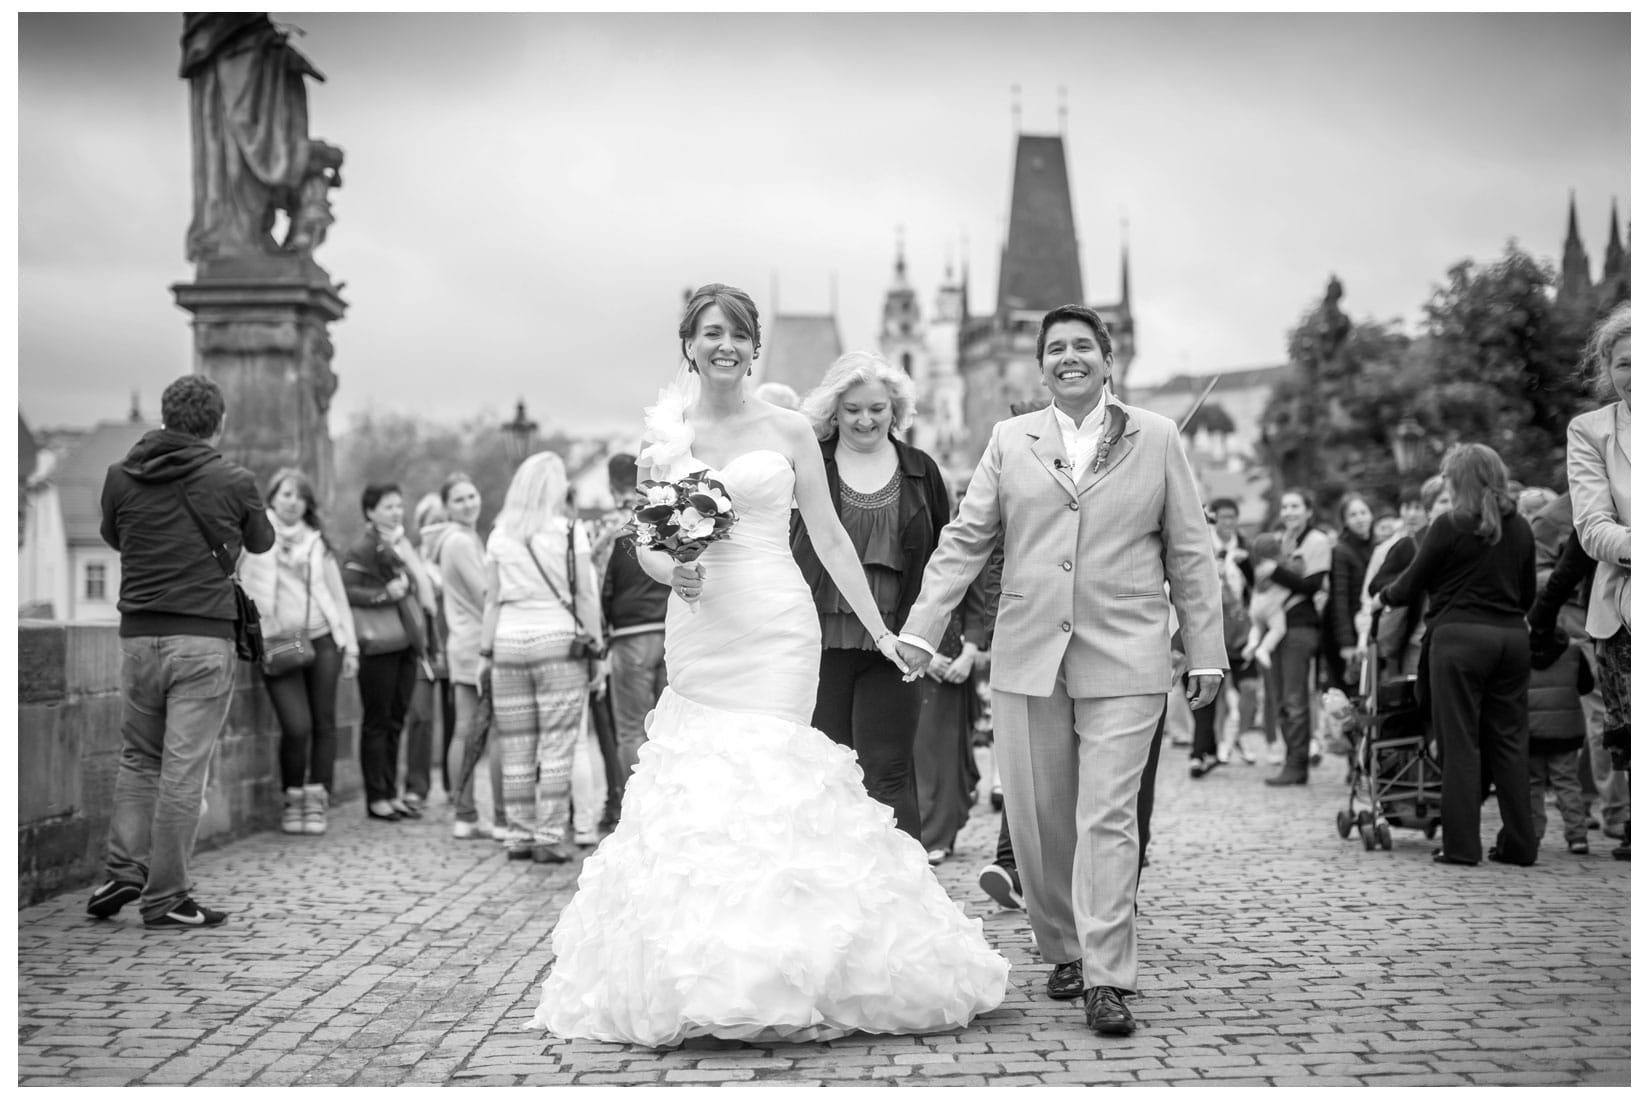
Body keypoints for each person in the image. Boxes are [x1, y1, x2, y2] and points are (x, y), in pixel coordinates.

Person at [534, 283, 1007, 1046]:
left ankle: (789, 963)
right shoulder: (666, 437)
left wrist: (882, 627)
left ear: (754, 347)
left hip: (780, 625)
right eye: (710, 332)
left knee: (774, 775)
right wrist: (669, 573)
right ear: (688, 344)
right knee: (707, 777)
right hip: (702, 623)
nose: (725, 345)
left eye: (738, 334)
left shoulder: (789, 429)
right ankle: (711, 967)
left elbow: (827, 535)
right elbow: (647, 540)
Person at [895, 303, 1225, 1037]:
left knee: (1106, 814)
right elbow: (965, 540)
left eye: (1083, 346)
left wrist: (1206, 648)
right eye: (1055, 349)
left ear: (1109, 360)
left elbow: (1191, 550)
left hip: (1127, 650)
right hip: (1028, 652)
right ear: (1039, 365)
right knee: (1042, 821)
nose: (1068, 357)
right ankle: (1065, 950)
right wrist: (921, 631)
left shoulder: (1158, 436)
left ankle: (1108, 975)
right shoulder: (1010, 440)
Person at [86, 374, 274, 929]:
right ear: (218, 423)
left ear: (166, 418)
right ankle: (166, 896)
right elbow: (261, 542)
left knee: (138, 758)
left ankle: (123, 868)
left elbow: (115, 536)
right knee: (182, 771)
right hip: (202, 637)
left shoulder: (119, 475)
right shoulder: (233, 478)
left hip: (138, 636)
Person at [791, 351, 953, 838]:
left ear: (895, 410)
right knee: (827, 771)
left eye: (876, 409)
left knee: (890, 771)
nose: (865, 420)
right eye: (852, 409)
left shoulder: (921, 471)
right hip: (820, 642)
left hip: (897, 643)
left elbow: (947, 558)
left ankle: (903, 896)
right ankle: (832, 893)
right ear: (833, 412)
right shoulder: (807, 465)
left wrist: (932, 637)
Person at [1379, 443, 1538, 867]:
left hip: (1458, 641)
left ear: (1459, 480)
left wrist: (1384, 596)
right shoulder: (1519, 525)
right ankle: (1522, 844)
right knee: (1509, 743)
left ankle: (1462, 846)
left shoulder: (1449, 525)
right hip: (1510, 640)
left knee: (1460, 743)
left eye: (1448, 477)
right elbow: (1527, 595)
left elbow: (1410, 585)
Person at [476, 453, 605, 862]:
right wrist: (597, 650)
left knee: (515, 744)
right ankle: (549, 836)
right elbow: (585, 595)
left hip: (509, 643)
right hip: (557, 644)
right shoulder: (570, 533)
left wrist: (485, 652)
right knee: (557, 743)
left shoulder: (499, 535)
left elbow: (492, 600)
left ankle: (518, 835)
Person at [238, 467, 358, 836]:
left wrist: (350, 645)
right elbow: (238, 584)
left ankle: (316, 798)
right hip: (277, 639)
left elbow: (337, 597)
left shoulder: (317, 543)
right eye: (286, 494)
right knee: (296, 725)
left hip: (322, 638)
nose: (292, 502)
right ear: (272, 496)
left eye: (300, 496)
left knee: (324, 721)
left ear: (308, 504)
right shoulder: (254, 538)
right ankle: (292, 797)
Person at [1566, 302, 1631, 860]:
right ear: (1607, 369)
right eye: (1624, 364)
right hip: (1624, 603)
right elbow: (1591, 528)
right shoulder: (1591, 431)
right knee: (1628, 735)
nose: (1635, 375)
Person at [343, 483, 436, 823]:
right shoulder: (363, 547)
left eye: (399, 505)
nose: (396, 512)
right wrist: (384, 593)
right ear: (370, 511)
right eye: (387, 507)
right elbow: (347, 590)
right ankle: (376, 796)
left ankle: (391, 791)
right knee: (377, 721)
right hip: (379, 644)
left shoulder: (402, 544)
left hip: (405, 643)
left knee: (396, 719)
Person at [428, 473, 500, 840]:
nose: (469, 503)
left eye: (472, 495)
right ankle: (467, 811)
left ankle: (466, 813)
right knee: (469, 730)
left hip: (464, 640)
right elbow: (484, 593)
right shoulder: (458, 541)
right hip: (474, 641)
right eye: (459, 499)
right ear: (447, 507)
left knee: (468, 729)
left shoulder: (467, 537)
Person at [598, 454, 670, 807]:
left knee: (631, 726)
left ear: (612, 485)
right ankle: (665, 802)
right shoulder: (665, 522)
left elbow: (602, 588)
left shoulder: (611, 530)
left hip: (630, 634)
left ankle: (635, 806)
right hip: (668, 631)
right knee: (667, 727)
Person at [1259, 488, 1333, 786]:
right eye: (1285, 507)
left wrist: (1274, 571)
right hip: (1277, 627)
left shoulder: (1317, 541)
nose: (1289, 512)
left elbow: (1311, 585)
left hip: (1300, 627)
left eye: (1295, 506)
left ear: (1308, 511)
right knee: (1280, 699)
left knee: (1295, 699)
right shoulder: (1282, 540)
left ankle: (1297, 763)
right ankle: (1292, 758)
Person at [400, 492, 453, 817]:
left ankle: (453, 785)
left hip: (456, 644)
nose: (436, 528)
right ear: (420, 527)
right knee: (420, 716)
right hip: (424, 650)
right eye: (430, 522)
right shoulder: (412, 560)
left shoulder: (457, 552)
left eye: (441, 521)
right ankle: (416, 788)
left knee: (456, 720)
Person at [1525, 630, 1594, 854]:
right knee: (1567, 782)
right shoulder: (1573, 650)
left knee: (1532, 784)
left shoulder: (1519, 649)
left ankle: (1533, 834)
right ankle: (1577, 836)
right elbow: (1586, 686)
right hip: (1565, 730)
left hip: (1530, 729)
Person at [1325, 493, 1375, 691]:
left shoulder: (1377, 547)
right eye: (1353, 515)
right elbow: (1340, 597)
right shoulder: (1341, 551)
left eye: (1363, 512)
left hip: (1369, 631)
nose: (1360, 518)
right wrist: (1346, 643)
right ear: (1345, 521)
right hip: (1348, 634)